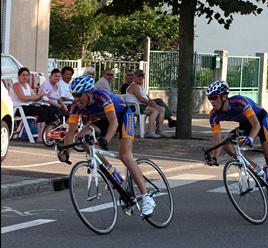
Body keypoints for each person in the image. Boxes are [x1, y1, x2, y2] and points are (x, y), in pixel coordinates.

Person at [57, 74, 156, 217]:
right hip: (103, 120)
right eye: (74, 96)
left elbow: (114, 122)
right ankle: (111, 170)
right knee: (82, 137)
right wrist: (67, 152)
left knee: (125, 156)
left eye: (79, 96)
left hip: (122, 116)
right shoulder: (75, 106)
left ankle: (147, 199)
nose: (76, 99)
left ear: (89, 93)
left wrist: (106, 140)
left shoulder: (102, 97)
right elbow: (71, 132)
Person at [204, 80, 268, 209]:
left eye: (214, 98)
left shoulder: (240, 102)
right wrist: (214, 157)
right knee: (227, 143)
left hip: (261, 120)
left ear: (224, 96)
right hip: (245, 125)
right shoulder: (213, 115)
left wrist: (250, 139)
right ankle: (258, 169)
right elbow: (217, 141)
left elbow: (256, 125)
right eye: (209, 98)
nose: (212, 101)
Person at [9, 67, 58, 143]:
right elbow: (23, 98)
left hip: (28, 106)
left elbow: (35, 98)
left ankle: (48, 133)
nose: (25, 77)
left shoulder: (27, 86)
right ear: (19, 76)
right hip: (20, 108)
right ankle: (40, 137)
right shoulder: (17, 85)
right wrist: (38, 96)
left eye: (27, 75)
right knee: (42, 111)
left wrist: (42, 95)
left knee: (48, 110)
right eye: (23, 75)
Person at [125, 69, 169, 138]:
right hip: (134, 106)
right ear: (135, 77)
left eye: (142, 76)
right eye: (138, 76)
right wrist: (154, 105)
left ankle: (160, 131)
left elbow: (147, 98)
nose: (140, 78)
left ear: (144, 77)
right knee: (154, 110)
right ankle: (149, 131)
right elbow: (141, 98)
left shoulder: (141, 87)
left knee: (162, 109)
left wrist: (153, 103)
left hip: (142, 106)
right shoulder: (134, 86)